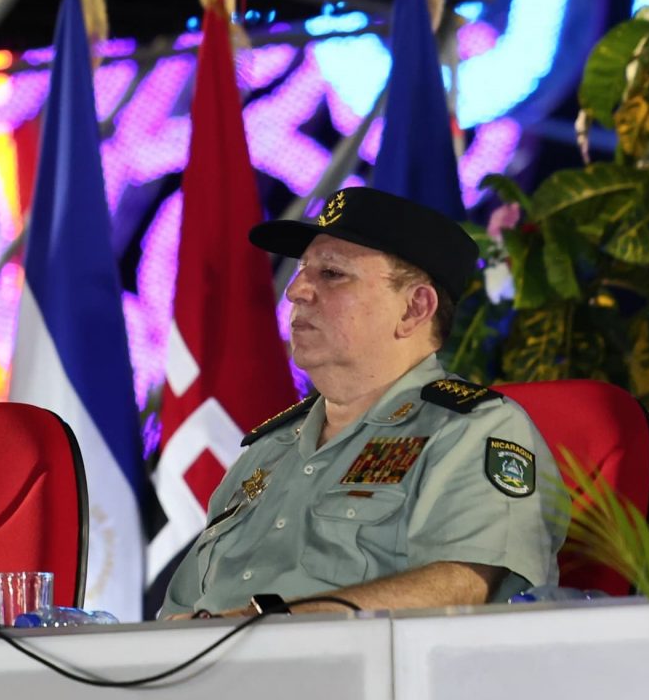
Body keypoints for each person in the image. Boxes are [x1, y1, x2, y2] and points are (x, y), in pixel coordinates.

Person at [159, 188, 565, 618]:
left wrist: (255, 627)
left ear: (414, 308)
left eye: (332, 273)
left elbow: (461, 589)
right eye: (301, 271)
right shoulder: (265, 451)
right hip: (206, 678)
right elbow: (176, 613)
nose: (296, 291)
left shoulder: (473, 430)